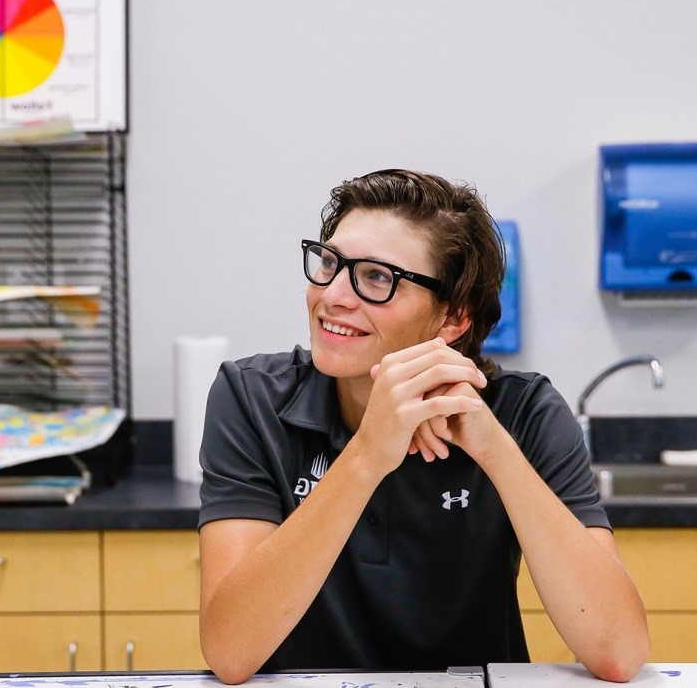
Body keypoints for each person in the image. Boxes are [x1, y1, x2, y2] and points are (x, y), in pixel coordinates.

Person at [197, 169, 649, 684]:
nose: (333, 296)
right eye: (329, 263)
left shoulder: (524, 413)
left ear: (453, 318)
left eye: (376, 278)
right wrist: (366, 456)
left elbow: (619, 652)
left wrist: (496, 452)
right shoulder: (250, 397)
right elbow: (231, 653)